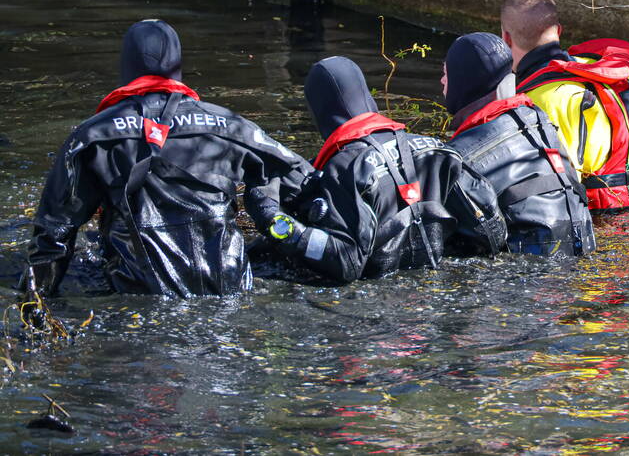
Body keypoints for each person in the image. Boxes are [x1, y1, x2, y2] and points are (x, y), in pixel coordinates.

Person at [24, 19, 309, 297]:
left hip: (139, 296)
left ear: (127, 67)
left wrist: (33, 305)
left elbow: (54, 234)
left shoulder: (93, 136)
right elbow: (301, 176)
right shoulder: (231, 127)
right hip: (229, 291)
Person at [264, 56, 506, 282]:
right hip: (436, 283)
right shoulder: (433, 148)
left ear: (319, 108)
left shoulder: (341, 168)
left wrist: (275, 222)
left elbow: (343, 262)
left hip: (378, 299)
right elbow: (491, 230)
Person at [500, 0, 629, 210]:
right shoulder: (609, 75)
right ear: (559, 31)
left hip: (593, 221)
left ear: (506, 38)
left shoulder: (536, 102)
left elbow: (552, 183)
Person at [442, 32, 595, 257]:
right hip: (584, 252)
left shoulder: (459, 157)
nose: (442, 81)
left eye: (446, 73)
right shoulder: (539, 120)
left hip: (528, 278)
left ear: (462, 80)